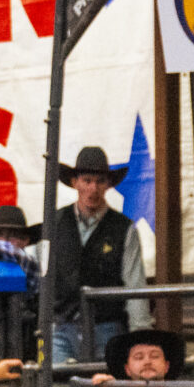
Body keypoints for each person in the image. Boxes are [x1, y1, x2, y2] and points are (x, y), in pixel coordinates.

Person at [43, 144, 151, 368]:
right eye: (87, 180)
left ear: (108, 185)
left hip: (107, 326)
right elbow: (37, 272)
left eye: (99, 181)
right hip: (62, 325)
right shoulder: (53, 224)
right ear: (75, 183)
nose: (93, 188)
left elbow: (134, 285)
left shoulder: (124, 229)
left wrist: (140, 336)